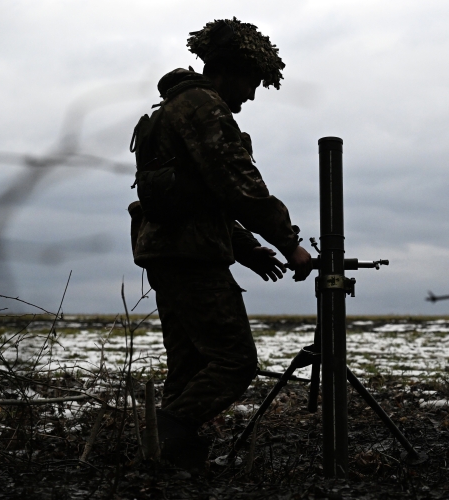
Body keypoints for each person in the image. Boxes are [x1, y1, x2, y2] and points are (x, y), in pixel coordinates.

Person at [127, 17, 312, 467]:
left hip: (167, 254)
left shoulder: (173, 109)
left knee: (189, 366)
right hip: (191, 258)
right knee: (234, 362)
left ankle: (167, 461)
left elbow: (200, 197)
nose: (250, 97)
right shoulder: (205, 108)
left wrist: (250, 251)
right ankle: (164, 435)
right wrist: (291, 244)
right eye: (252, 83)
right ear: (232, 70)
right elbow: (240, 187)